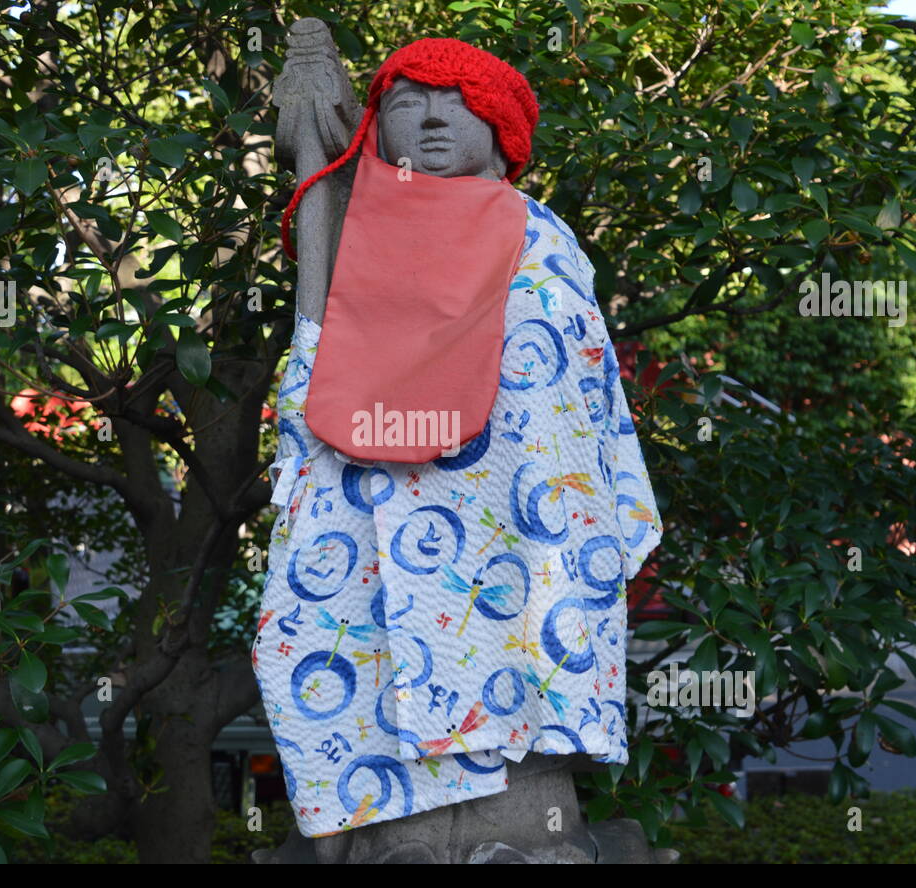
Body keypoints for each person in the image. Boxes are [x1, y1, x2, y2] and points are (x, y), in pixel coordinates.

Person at [254, 37, 663, 839]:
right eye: (409, 102)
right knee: (354, 627)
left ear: (501, 129)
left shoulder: (540, 238)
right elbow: (321, 343)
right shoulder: (366, 230)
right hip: (378, 499)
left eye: (460, 102)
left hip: (522, 515)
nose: (436, 117)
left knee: (524, 627)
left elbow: (570, 395)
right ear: (378, 124)